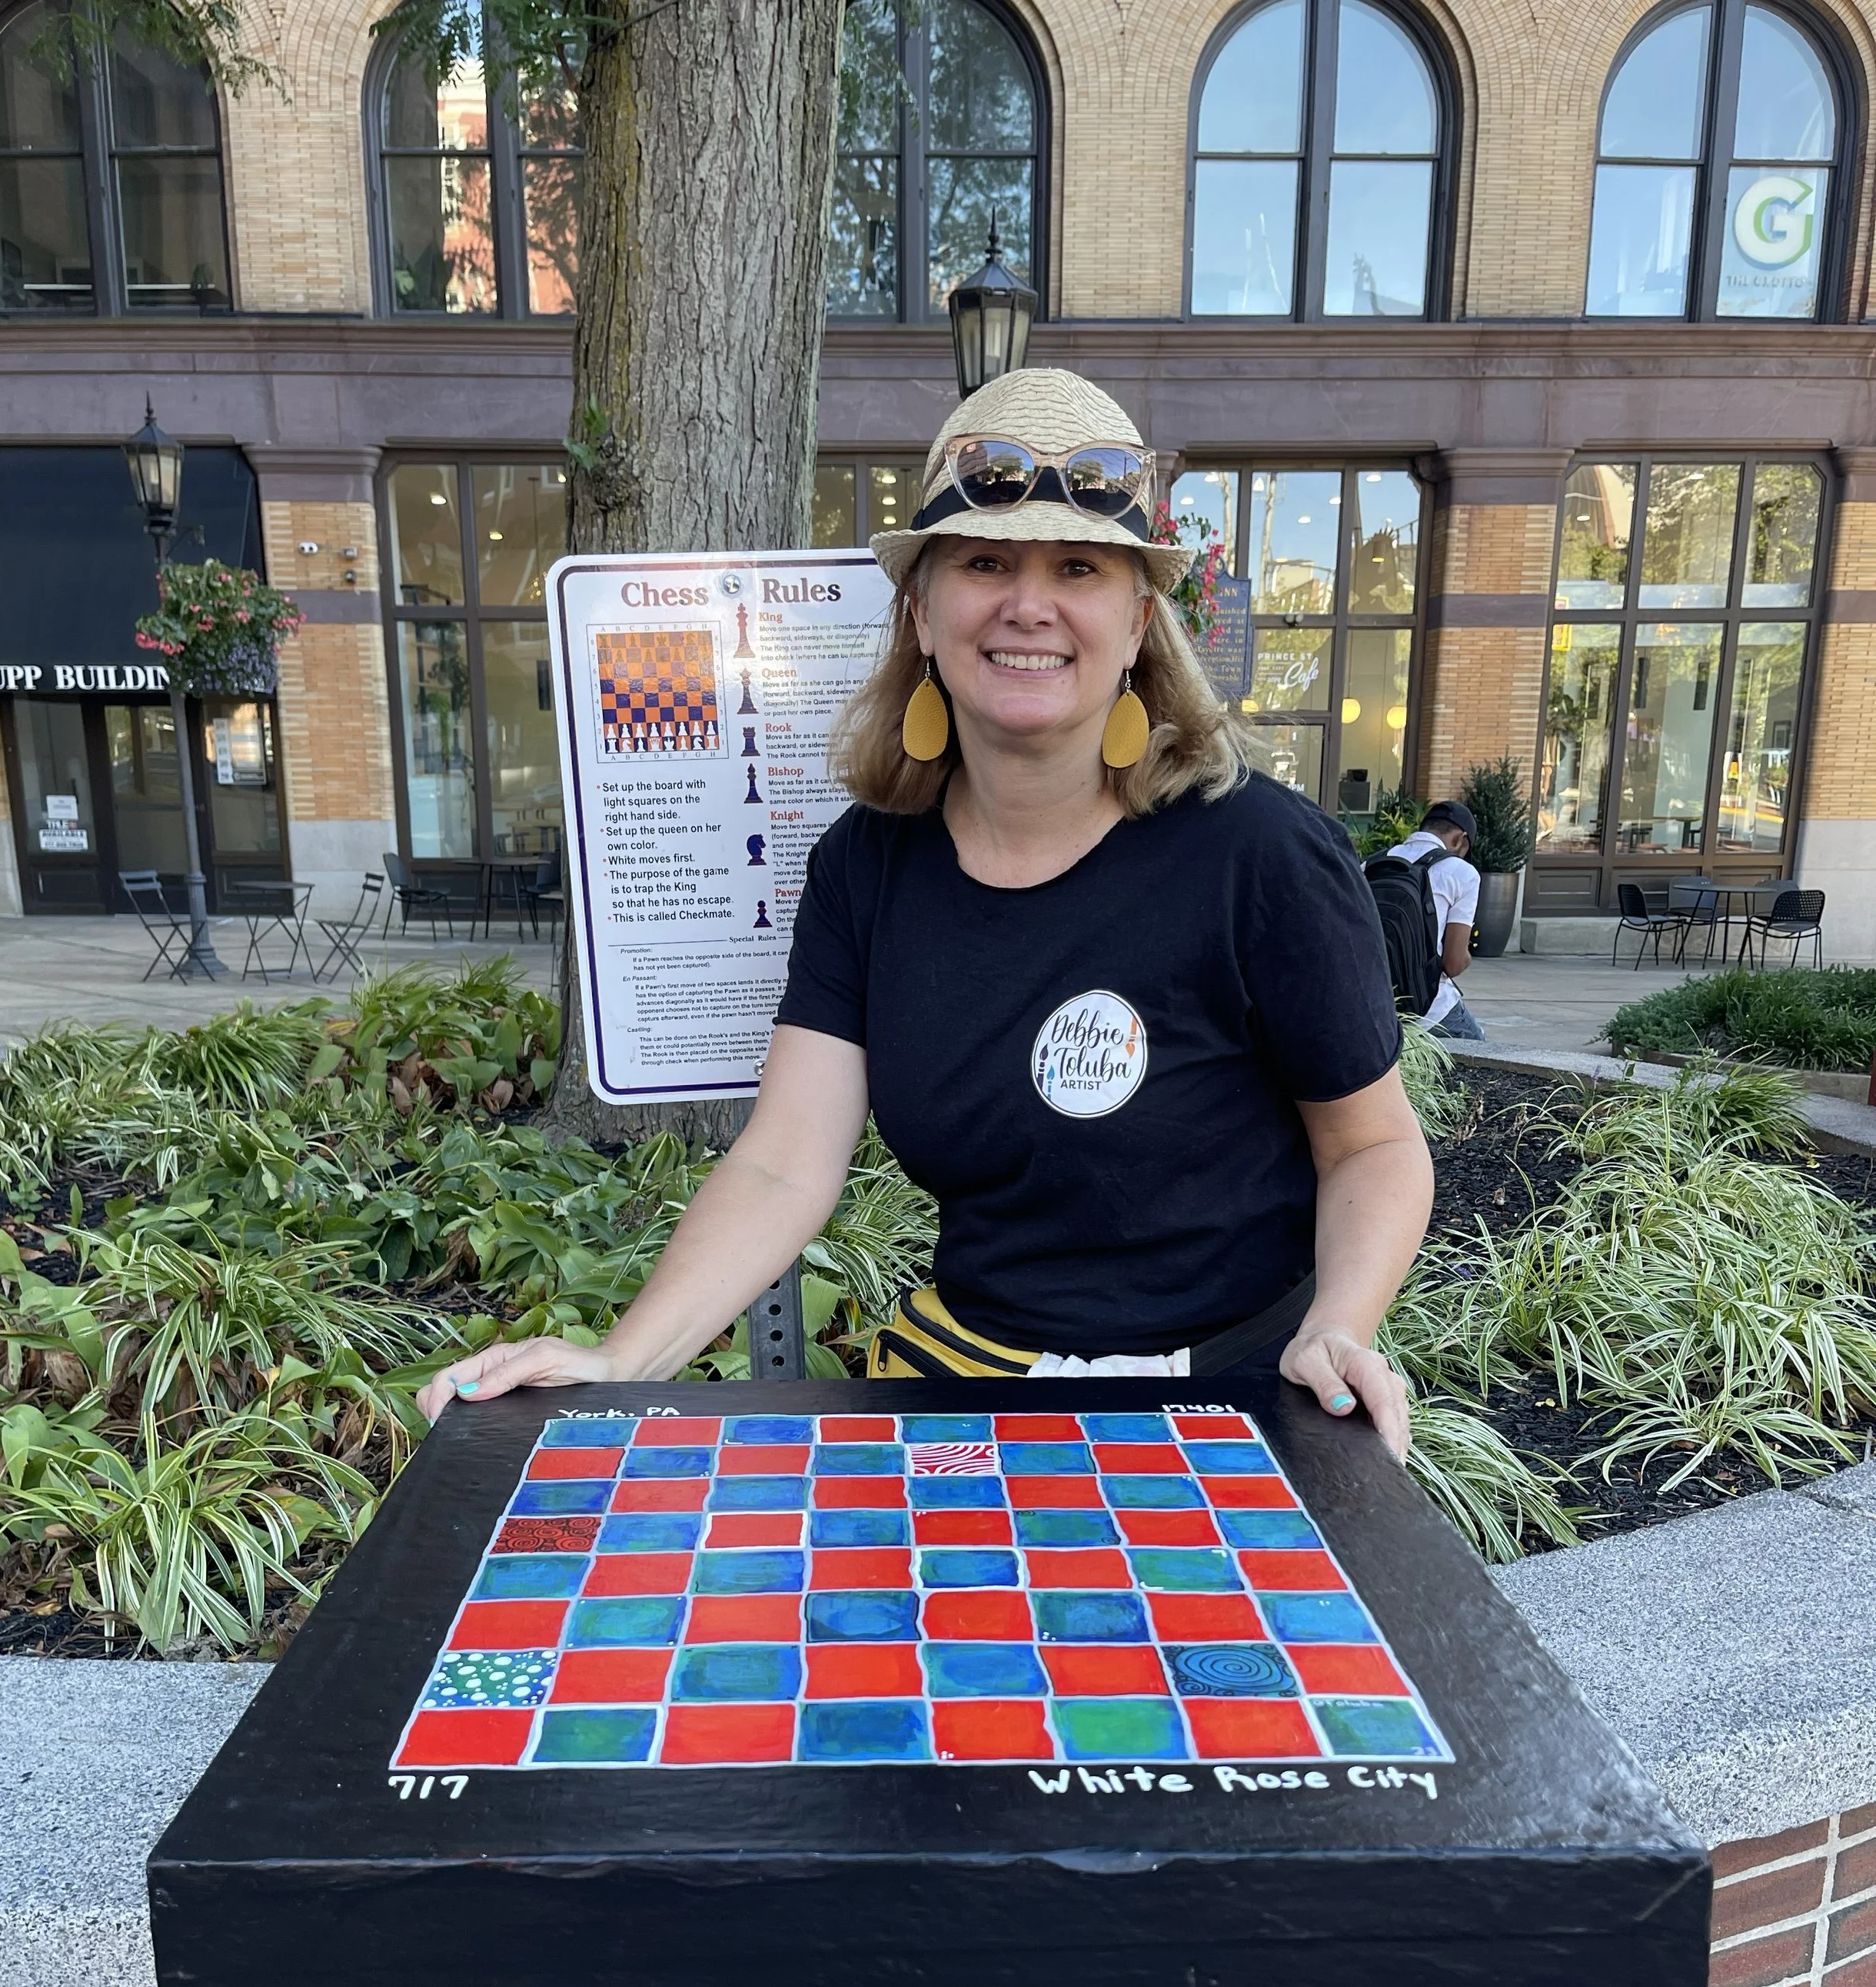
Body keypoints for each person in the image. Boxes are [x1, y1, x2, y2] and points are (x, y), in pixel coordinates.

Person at [420, 368, 1433, 1455]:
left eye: (1078, 568)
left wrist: (1338, 1326)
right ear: (922, 608)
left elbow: (1373, 1147)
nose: (1028, 605)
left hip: (1229, 1404)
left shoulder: (1259, 854)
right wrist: (621, 1362)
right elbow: (782, 1163)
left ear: (1140, 619)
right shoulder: (867, 866)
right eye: (985, 563)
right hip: (969, 1391)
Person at [1389, 800, 1485, 1041]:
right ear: (1461, 840)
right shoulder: (1462, 873)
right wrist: (1467, 957)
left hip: (1376, 1003)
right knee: (1481, 1050)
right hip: (1430, 1011)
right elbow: (1453, 964)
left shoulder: (1373, 864)